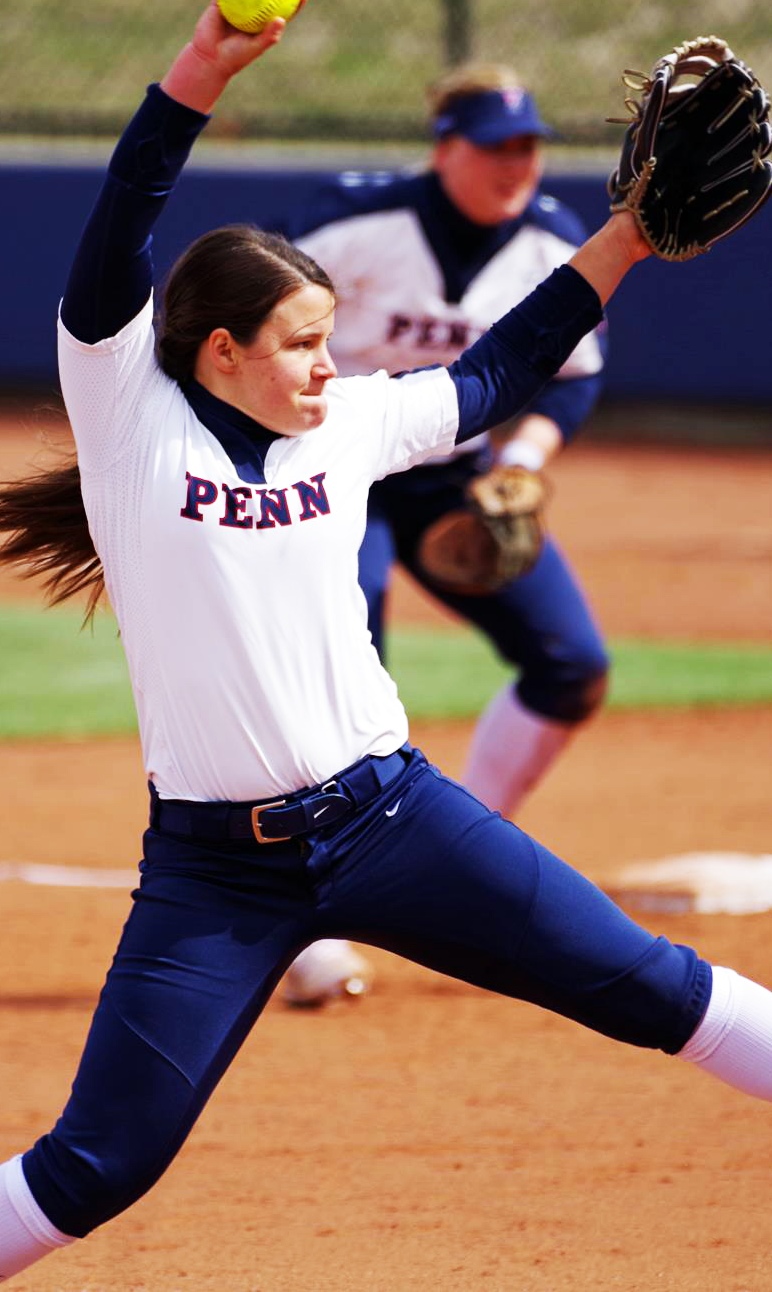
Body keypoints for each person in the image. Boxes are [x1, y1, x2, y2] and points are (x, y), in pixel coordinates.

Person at [0, 0, 772, 1288]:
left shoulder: (347, 428)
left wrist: (622, 238)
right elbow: (122, 224)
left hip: (393, 821)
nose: (331, 365)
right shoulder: (127, 415)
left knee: (646, 981)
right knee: (100, 1165)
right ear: (217, 353)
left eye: (334, 338)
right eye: (301, 344)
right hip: (213, 876)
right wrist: (199, 73)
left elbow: (501, 367)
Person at [272, 63, 611, 1008]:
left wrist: (527, 460)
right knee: (346, 674)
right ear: (444, 149)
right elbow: (256, 322)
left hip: (455, 476)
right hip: (332, 465)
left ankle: (449, 863)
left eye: (529, 145)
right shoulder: (354, 224)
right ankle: (310, 928)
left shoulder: (549, 241)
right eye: (496, 145)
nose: (517, 163)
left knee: (571, 662)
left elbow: (575, 372)